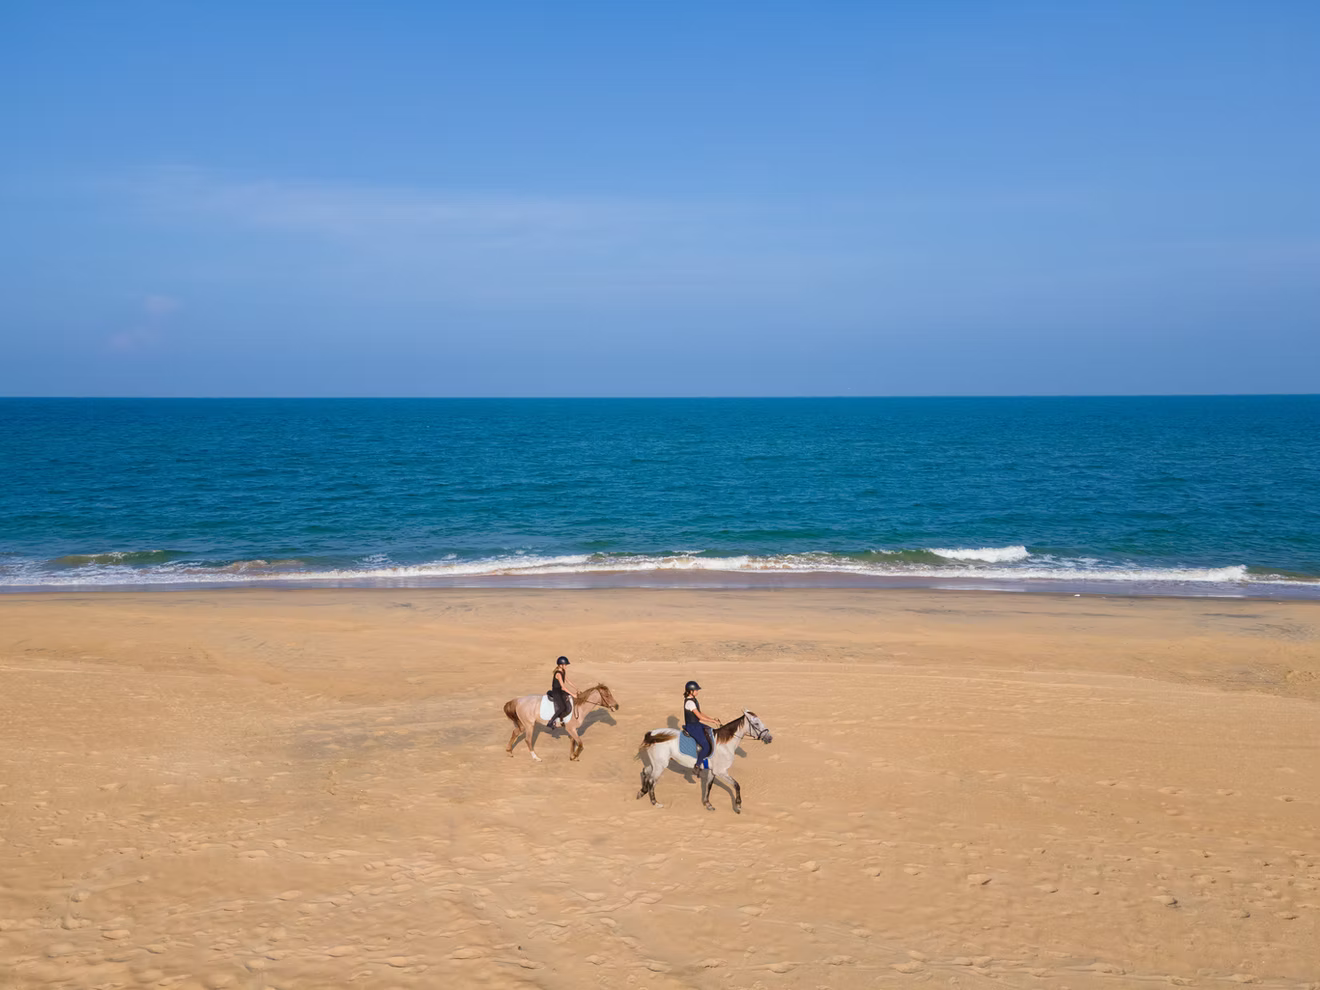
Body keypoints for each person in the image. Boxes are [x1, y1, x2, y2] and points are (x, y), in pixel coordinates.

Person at [682, 680, 721, 771]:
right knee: (706, 746)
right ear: (691, 691)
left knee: (712, 731)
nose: (697, 691)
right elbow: (700, 717)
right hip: (692, 727)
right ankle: (697, 765)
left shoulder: (694, 700)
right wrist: (712, 721)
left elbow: (700, 712)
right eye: (696, 690)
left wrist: (711, 718)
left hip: (697, 724)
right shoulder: (690, 703)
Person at [547, 656, 578, 729]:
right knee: (562, 707)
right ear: (560, 665)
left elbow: (568, 680)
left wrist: (576, 688)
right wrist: (573, 694)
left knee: (568, 699)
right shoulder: (558, 674)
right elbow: (563, 687)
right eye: (565, 665)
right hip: (556, 692)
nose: (566, 666)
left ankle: (562, 720)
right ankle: (551, 721)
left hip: (560, 691)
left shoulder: (563, 671)